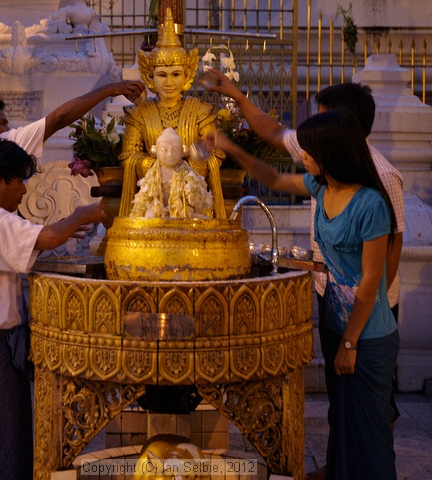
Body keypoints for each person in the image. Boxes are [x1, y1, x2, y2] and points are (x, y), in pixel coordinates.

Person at [209, 109, 399, 479]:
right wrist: (230, 147)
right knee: (343, 430)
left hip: (368, 335)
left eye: (309, 150)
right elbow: (274, 178)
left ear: (331, 152)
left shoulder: (371, 204)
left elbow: (372, 279)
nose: (304, 155)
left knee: (371, 437)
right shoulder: (321, 187)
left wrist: (350, 343)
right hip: (337, 324)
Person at [0, 134, 106, 480]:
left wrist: (65, 230)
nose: (26, 191)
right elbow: (44, 238)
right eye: (20, 181)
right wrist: (84, 213)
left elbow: (33, 237)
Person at [204, 73, 405, 317]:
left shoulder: (382, 177)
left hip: (369, 305)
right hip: (329, 292)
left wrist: (370, 311)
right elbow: (275, 156)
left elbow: (391, 249)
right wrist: (237, 101)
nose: (304, 154)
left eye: (321, 119)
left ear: (341, 127)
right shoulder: (321, 164)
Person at [0, 80, 144, 239]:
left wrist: (58, 229)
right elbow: (57, 119)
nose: (8, 130)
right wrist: (110, 89)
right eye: (2, 123)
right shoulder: (3, 145)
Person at [119, 9, 226, 218]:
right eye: (162, 75)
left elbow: (216, 152)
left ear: (187, 76)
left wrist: (187, 170)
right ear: (150, 78)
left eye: (176, 74)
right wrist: (155, 165)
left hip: (192, 198)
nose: (169, 82)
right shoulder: (139, 113)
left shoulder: (200, 111)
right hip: (154, 195)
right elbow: (128, 156)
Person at [130, 127, 212, 219]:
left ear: (182, 152)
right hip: (159, 218)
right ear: (156, 151)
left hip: (183, 218)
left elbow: (197, 205)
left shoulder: (188, 175)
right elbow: (145, 202)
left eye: (175, 150)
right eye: (164, 149)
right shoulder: (153, 175)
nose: (170, 154)